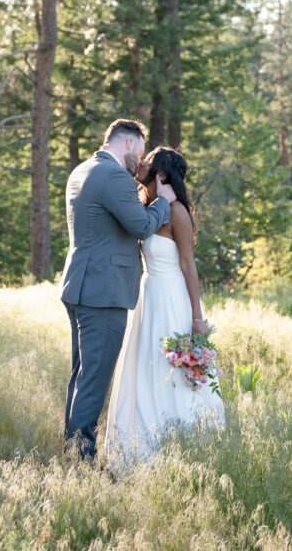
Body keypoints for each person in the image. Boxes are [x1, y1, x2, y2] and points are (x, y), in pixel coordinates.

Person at [59, 119, 177, 461]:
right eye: (139, 152)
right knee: (94, 378)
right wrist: (163, 202)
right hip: (103, 292)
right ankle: (83, 460)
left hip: (80, 286)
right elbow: (141, 225)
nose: (139, 161)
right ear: (128, 143)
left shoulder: (81, 170)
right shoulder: (114, 176)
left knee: (83, 375)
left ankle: (72, 451)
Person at [104, 146, 225, 465]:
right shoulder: (145, 206)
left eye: (148, 163)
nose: (141, 165)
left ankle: (184, 443)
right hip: (148, 297)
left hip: (172, 298)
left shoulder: (177, 212)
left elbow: (188, 264)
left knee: (171, 369)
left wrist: (197, 318)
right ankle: (140, 446)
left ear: (160, 174)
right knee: (145, 367)